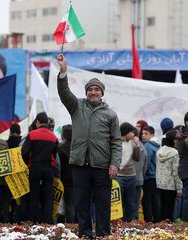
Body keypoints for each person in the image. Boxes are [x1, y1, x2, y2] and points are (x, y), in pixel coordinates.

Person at [57, 54, 122, 238]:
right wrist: (63, 71)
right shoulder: (76, 106)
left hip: (102, 166)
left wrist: (114, 164)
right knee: (81, 203)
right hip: (80, 165)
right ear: (86, 92)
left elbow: (116, 142)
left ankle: (103, 234)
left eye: (97, 89)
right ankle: (85, 234)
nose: (93, 92)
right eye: (90, 89)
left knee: (103, 203)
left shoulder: (110, 114)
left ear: (102, 93)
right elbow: (64, 93)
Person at [21, 112, 58, 224]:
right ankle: (47, 222)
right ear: (47, 123)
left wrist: (28, 163)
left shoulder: (32, 134)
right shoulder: (54, 137)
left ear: (37, 122)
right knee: (48, 197)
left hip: (35, 167)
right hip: (48, 169)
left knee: (34, 196)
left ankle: (34, 222)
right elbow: (54, 156)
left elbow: (24, 152)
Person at [156, 129, 182, 222]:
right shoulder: (175, 153)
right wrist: (179, 189)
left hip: (159, 184)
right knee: (169, 211)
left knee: (162, 209)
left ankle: (161, 229)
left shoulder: (160, 151)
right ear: (174, 140)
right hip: (171, 186)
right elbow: (176, 172)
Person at [117, 122, 140, 222]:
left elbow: (137, 158)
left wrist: (137, 145)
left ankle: (130, 223)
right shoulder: (117, 143)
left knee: (130, 202)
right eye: (131, 132)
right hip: (119, 176)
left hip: (131, 176)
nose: (133, 134)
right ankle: (119, 223)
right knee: (119, 202)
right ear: (125, 132)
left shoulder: (132, 142)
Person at [141, 126, 161, 223]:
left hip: (149, 177)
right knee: (155, 200)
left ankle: (148, 221)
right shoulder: (157, 145)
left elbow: (146, 163)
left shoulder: (148, 146)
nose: (143, 136)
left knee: (147, 200)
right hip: (157, 177)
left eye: (146, 134)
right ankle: (157, 220)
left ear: (152, 135)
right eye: (142, 133)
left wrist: (142, 175)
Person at [58, 124, 76, 223]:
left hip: (65, 180)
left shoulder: (60, 148)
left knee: (68, 205)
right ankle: (77, 224)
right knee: (78, 204)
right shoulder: (79, 147)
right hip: (79, 180)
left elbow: (58, 166)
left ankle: (70, 225)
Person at [133, 128, 147, 220]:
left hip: (130, 179)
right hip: (139, 178)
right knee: (136, 204)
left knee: (127, 204)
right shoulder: (143, 147)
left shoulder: (129, 146)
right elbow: (145, 165)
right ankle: (134, 224)